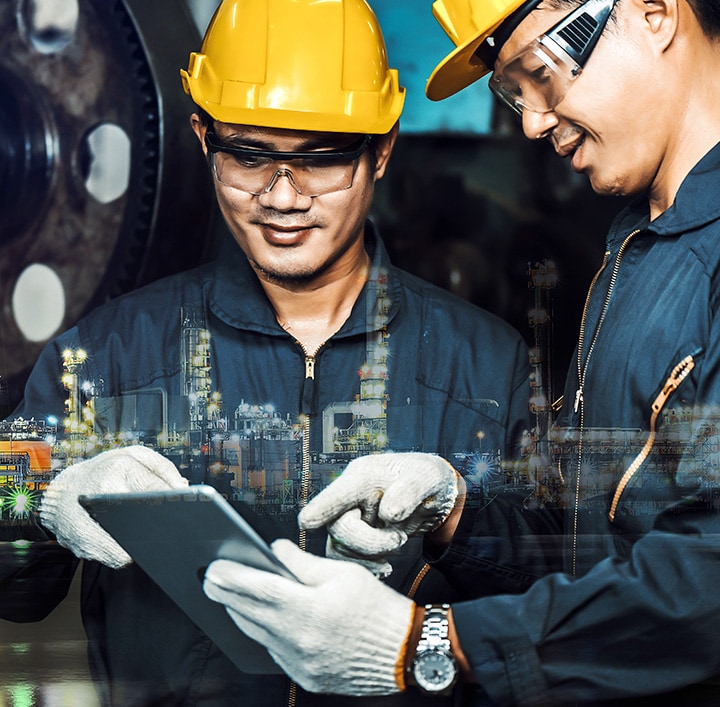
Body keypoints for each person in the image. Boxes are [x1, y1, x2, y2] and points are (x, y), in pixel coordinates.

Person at [0, 1, 532, 705]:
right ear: (202, 136)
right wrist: (40, 492)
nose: (282, 197)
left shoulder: (485, 364)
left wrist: (458, 513)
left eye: (321, 158)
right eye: (249, 155)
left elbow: (550, 602)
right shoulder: (107, 354)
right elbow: (15, 586)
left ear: (382, 151)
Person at [196, 0, 720, 704]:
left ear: (654, 12)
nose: (533, 123)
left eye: (541, 73)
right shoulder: (638, 251)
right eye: (514, 92)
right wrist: (455, 512)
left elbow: (705, 578)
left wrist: (430, 643)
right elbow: (587, 554)